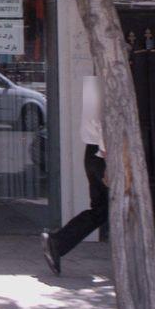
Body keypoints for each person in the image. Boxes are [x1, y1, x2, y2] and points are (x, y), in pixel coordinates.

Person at [43, 75, 108, 275]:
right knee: (112, 207)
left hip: (93, 151)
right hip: (102, 153)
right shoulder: (106, 84)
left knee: (102, 209)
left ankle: (58, 242)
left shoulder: (93, 83)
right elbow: (101, 122)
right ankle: (58, 242)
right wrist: (107, 156)